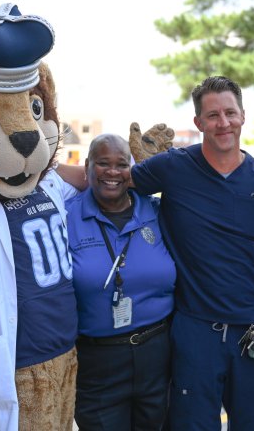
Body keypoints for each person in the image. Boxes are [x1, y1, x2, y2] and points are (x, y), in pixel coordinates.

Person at [131, 76, 254, 430]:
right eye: (212, 115)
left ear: (243, 115)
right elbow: (112, 180)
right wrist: (40, 174)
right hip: (195, 329)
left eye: (230, 113)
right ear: (198, 123)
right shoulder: (172, 167)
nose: (223, 122)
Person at [66, 133, 176, 430]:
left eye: (121, 164)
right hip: (98, 363)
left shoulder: (156, 211)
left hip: (158, 355)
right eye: (103, 163)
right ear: (87, 166)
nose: (113, 172)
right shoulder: (67, 218)